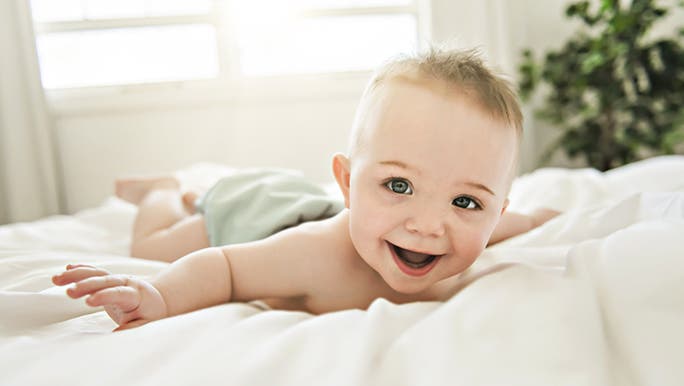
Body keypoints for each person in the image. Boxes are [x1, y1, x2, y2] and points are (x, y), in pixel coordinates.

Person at [52, 47, 559, 330]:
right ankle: (166, 191)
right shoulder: (314, 255)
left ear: (495, 212)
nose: (428, 224)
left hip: (300, 198)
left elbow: (516, 222)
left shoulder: (472, 233)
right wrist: (158, 295)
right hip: (249, 212)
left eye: (465, 201)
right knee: (152, 245)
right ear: (347, 182)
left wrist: (542, 220)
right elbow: (224, 268)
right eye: (398, 184)